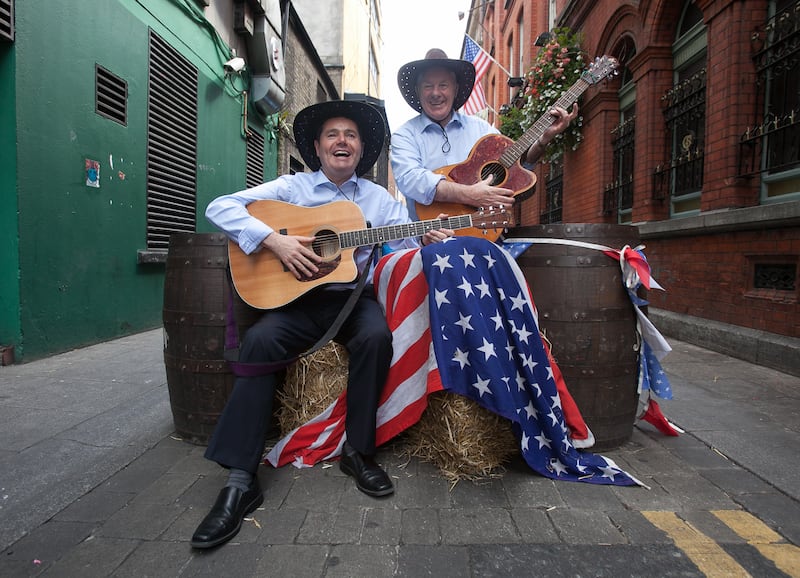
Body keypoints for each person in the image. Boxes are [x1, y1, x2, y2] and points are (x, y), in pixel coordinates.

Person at [191, 100, 453, 550]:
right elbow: (220, 207)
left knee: (376, 337)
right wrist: (275, 241)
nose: (342, 141)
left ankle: (359, 451)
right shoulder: (293, 188)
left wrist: (428, 233)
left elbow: (408, 237)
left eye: (351, 135)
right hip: (296, 300)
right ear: (317, 147)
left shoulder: (377, 200)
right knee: (259, 341)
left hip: (352, 301)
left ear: (361, 148)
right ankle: (240, 478)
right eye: (332, 134)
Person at [391, 48, 578, 221]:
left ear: (455, 89)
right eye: (428, 86)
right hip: (429, 240)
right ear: (417, 91)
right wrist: (470, 195)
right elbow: (411, 179)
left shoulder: (482, 130)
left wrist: (542, 140)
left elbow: (514, 167)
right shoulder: (405, 136)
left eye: (443, 85)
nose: (436, 93)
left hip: (483, 237)